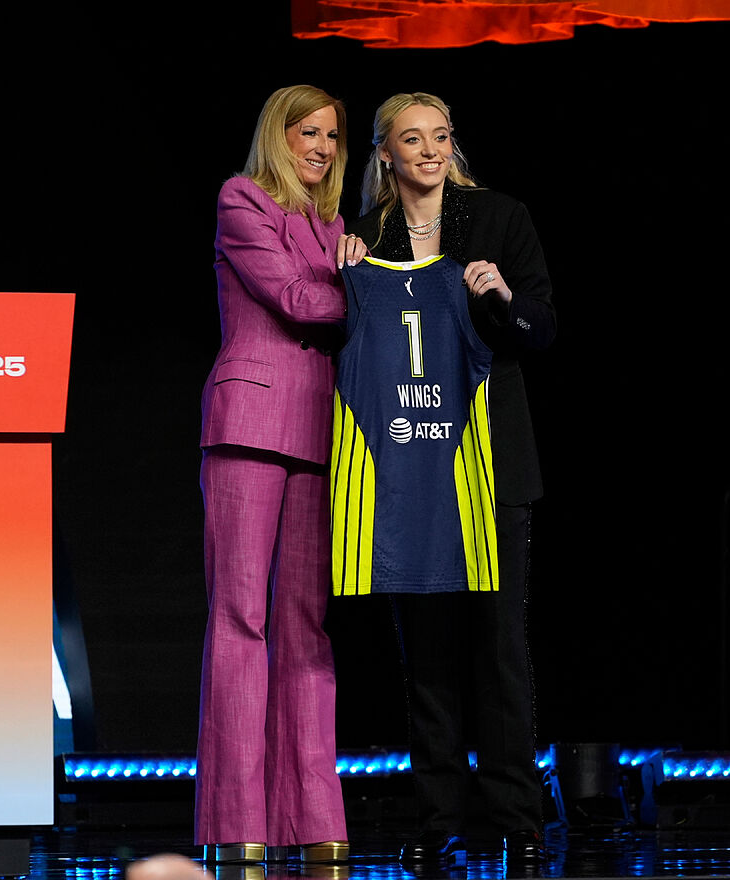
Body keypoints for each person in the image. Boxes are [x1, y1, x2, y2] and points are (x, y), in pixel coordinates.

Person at [345, 92, 557, 868]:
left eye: (440, 137)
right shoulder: (363, 235)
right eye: (412, 139)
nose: (430, 151)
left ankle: (519, 821)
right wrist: (341, 276)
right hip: (408, 471)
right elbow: (347, 344)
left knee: (499, 645)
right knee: (426, 657)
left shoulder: (499, 216)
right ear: (386, 155)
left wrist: (503, 296)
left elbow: (542, 325)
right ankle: (439, 826)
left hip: (493, 465)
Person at [195, 84, 366, 865]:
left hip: (319, 434)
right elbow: (297, 299)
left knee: (306, 629)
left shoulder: (335, 225)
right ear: (280, 134)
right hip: (251, 427)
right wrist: (364, 280)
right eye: (309, 131)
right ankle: (237, 823)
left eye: (333, 135)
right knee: (241, 620)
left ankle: (314, 819)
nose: (324, 147)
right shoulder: (244, 199)